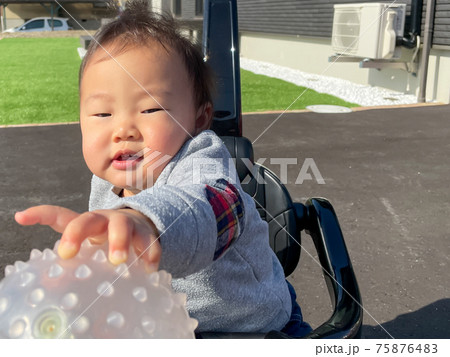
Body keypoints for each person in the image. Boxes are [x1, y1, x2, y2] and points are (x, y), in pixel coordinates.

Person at [15, 0, 310, 335]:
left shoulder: (200, 159)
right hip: (163, 326)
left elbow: (219, 205)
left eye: (151, 109)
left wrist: (145, 222)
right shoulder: (103, 180)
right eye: (102, 114)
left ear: (198, 119)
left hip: (250, 326)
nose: (123, 129)